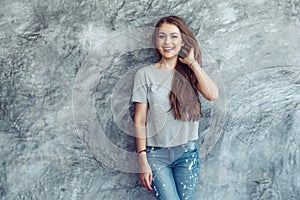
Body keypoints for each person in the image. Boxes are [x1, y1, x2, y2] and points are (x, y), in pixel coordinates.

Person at [131, 15, 219, 200]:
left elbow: (212, 95)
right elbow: (140, 120)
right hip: (156, 155)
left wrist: (192, 63)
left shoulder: (190, 73)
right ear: (156, 40)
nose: (167, 42)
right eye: (162, 36)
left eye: (173, 36)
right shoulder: (145, 74)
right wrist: (142, 159)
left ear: (183, 41)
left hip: (187, 154)